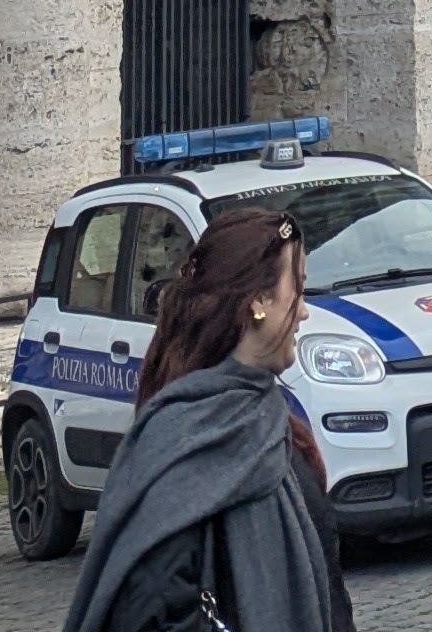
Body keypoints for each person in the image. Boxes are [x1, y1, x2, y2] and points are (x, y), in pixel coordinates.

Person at [58, 206, 350, 632]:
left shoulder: (278, 425)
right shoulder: (177, 438)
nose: (304, 311)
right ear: (258, 302)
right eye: (298, 289)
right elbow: (146, 609)